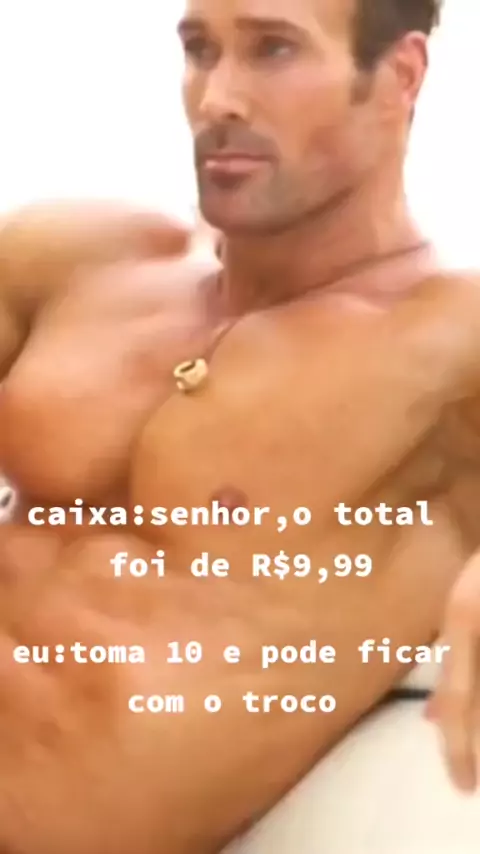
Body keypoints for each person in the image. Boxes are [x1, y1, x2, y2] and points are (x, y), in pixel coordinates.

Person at [0, 0, 479, 851]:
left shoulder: (447, 341)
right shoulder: (76, 259)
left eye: (272, 51)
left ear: (401, 74)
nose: (217, 96)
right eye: (199, 50)